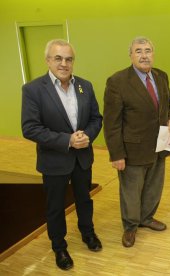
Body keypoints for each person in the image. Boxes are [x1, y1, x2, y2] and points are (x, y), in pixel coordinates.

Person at [21, 39, 103, 270]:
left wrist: (87, 135)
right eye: (58, 58)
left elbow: (97, 118)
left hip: (82, 157)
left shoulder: (85, 86)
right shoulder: (33, 90)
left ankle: (88, 233)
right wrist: (67, 140)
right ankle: (59, 246)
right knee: (55, 206)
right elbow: (30, 128)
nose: (64, 63)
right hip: (54, 160)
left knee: (84, 200)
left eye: (68, 59)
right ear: (48, 60)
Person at [103, 36, 170, 248]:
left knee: (154, 187)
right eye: (138, 51)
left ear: (153, 54)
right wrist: (116, 154)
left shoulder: (161, 76)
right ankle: (130, 226)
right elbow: (111, 123)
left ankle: (146, 218)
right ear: (131, 55)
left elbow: (168, 104)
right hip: (132, 149)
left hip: (159, 146)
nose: (144, 55)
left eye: (148, 50)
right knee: (131, 191)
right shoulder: (117, 82)